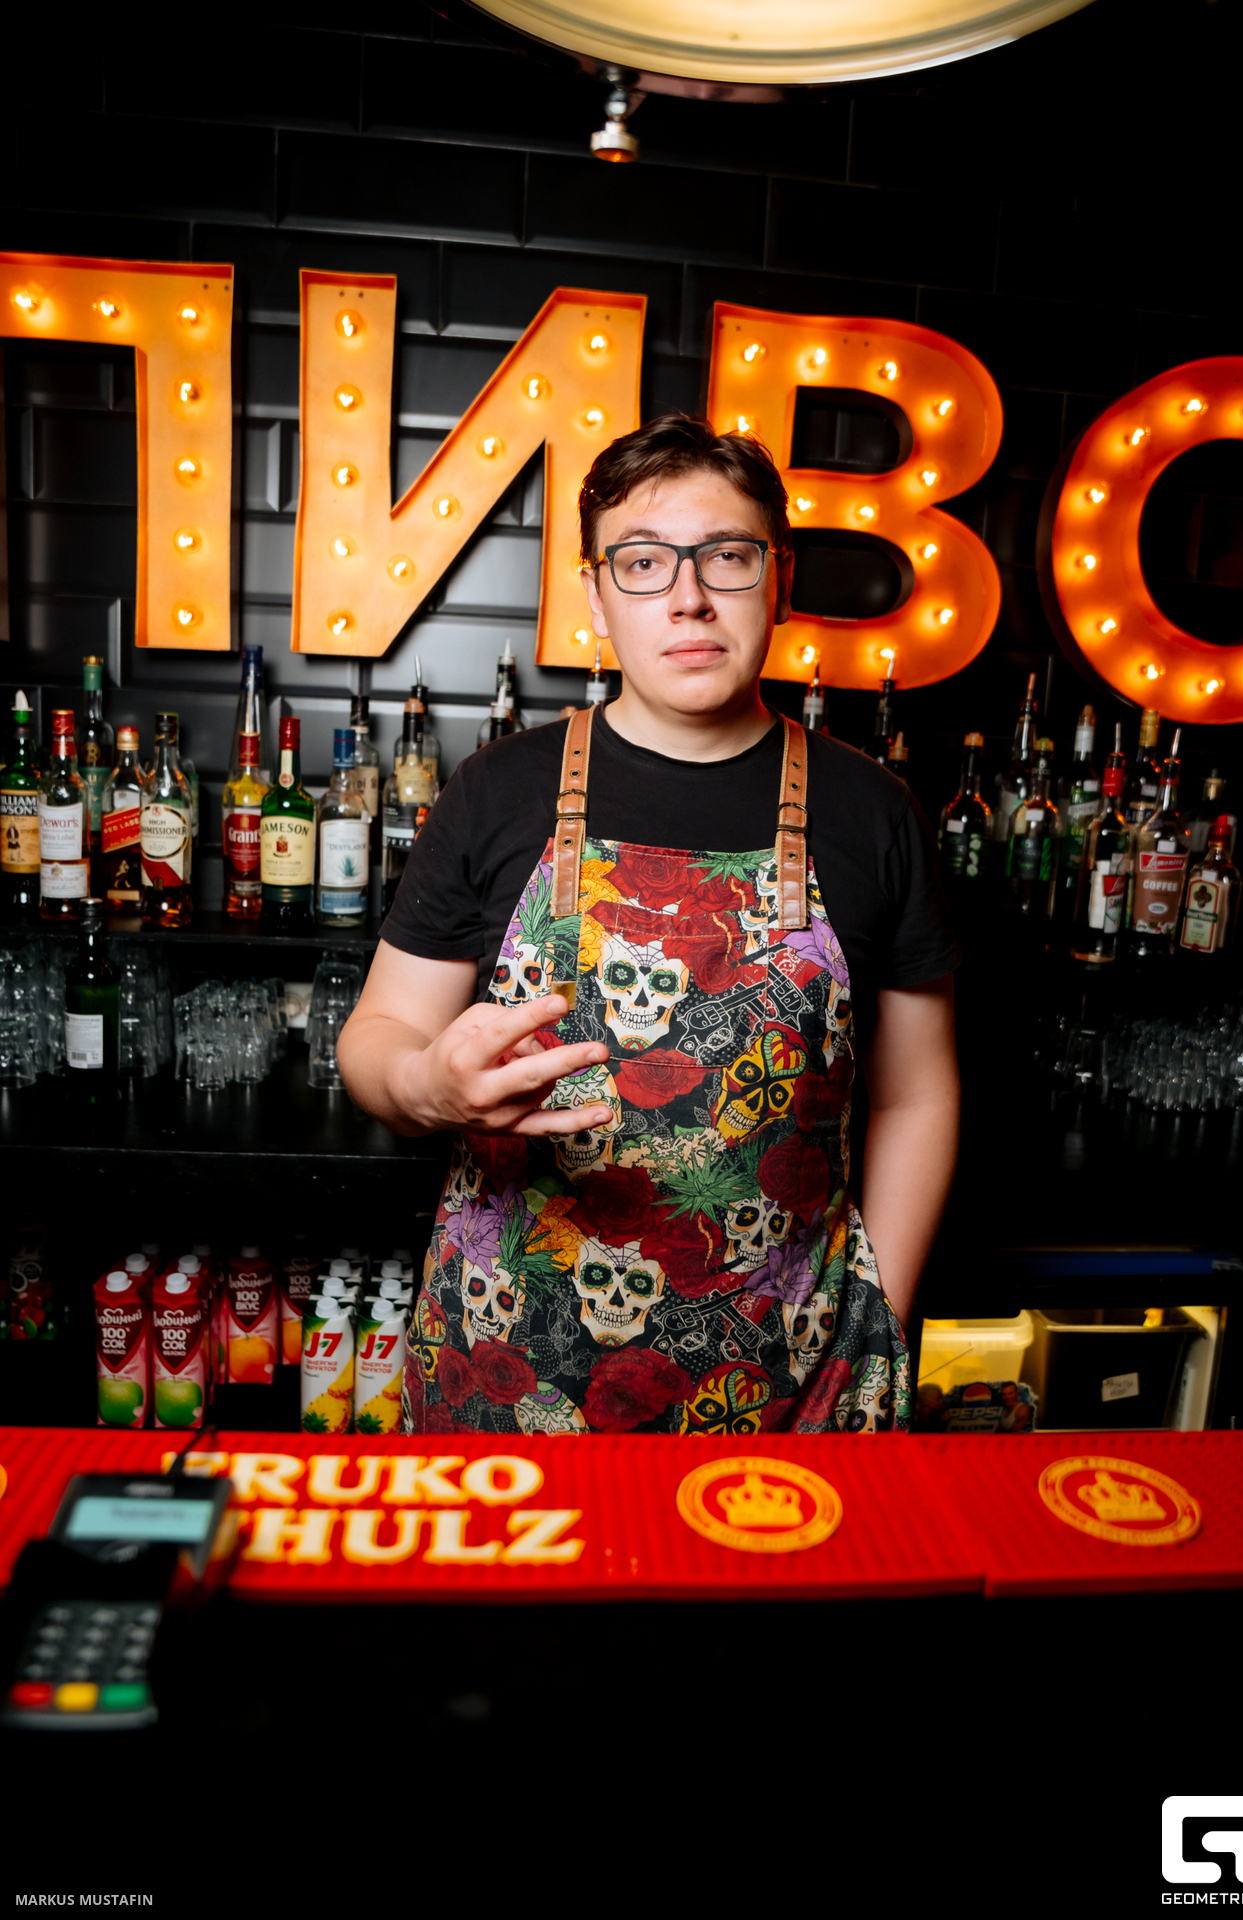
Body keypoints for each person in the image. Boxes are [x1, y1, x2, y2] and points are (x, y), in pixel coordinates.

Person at [339, 415, 961, 1435]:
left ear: (780, 579)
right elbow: (379, 1035)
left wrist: (876, 1314)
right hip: (503, 1366)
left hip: (787, 1378)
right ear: (596, 596)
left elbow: (915, 1095)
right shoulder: (497, 791)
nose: (687, 596)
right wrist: (424, 1086)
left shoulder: (874, 813)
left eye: (727, 556)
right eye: (641, 562)